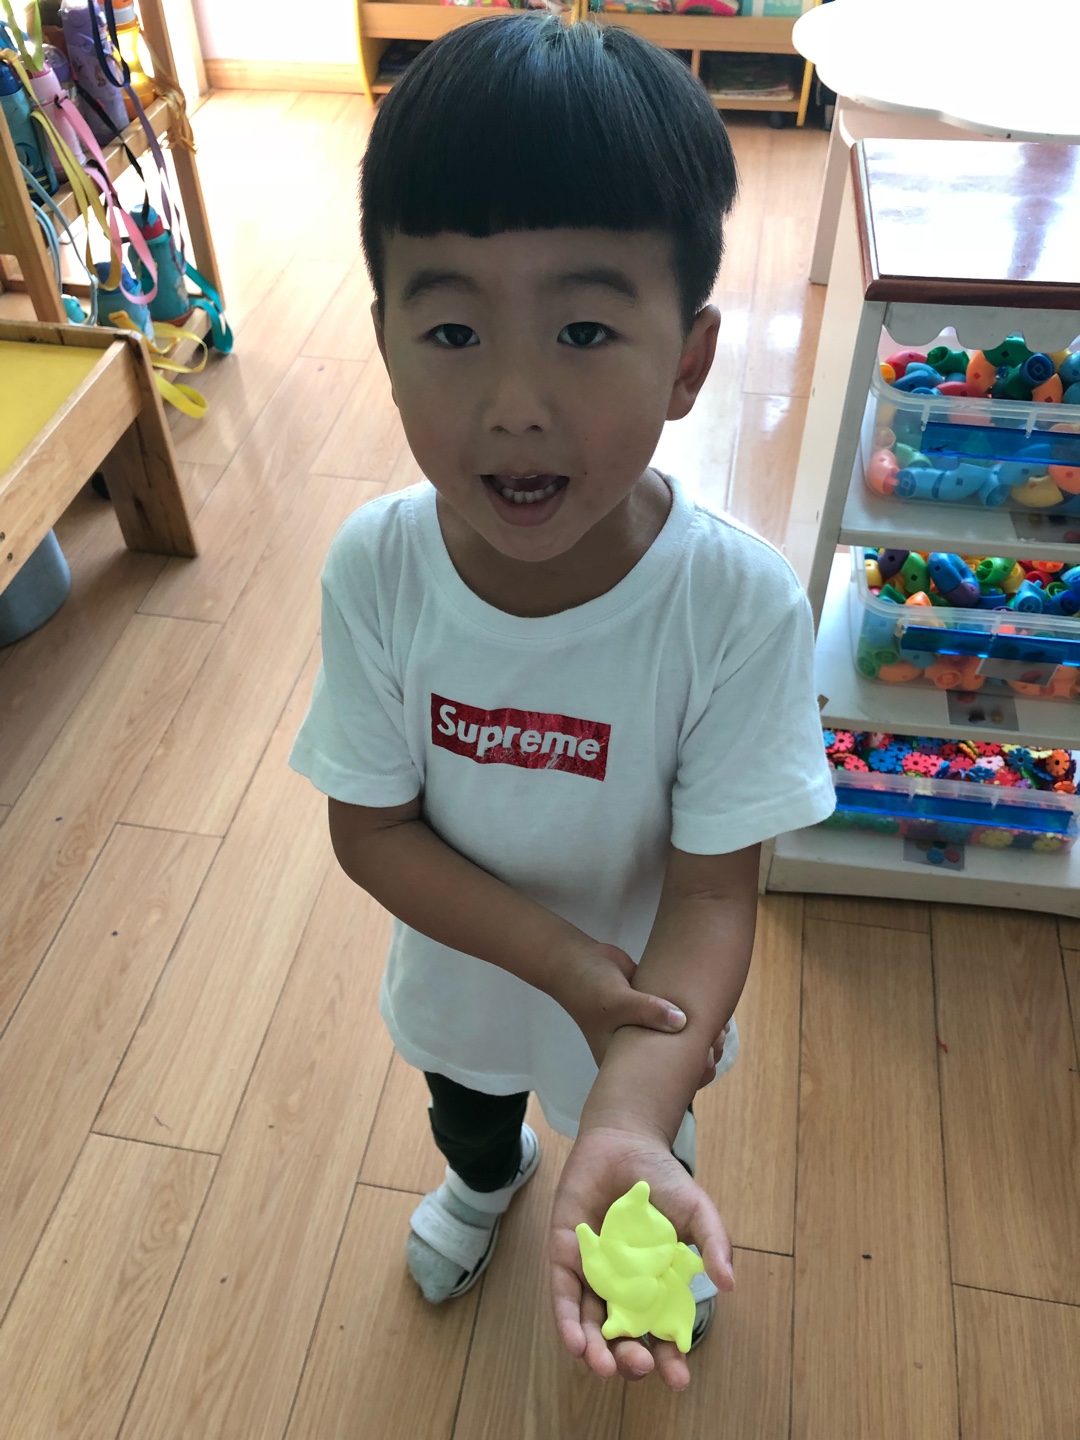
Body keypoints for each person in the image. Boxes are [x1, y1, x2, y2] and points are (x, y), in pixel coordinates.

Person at [289, 12, 834, 1392]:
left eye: (585, 329)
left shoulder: (737, 608)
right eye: (454, 330)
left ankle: (634, 1183)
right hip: (471, 979)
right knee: (468, 1113)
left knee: (637, 1147)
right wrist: (560, 966)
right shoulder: (377, 570)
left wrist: (635, 1109)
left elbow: (711, 893)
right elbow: (372, 829)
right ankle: (489, 1184)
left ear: (688, 363)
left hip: (648, 1021)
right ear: (386, 344)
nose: (516, 402)